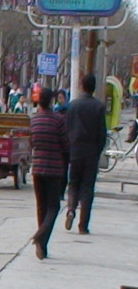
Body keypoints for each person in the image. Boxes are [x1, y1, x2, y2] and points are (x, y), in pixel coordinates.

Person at [30, 88, 70, 260]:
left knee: (41, 206)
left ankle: (42, 246)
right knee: (54, 207)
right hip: (54, 170)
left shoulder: (34, 121)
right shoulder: (57, 120)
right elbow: (66, 145)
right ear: (51, 102)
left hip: (37, 169)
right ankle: (40, 236)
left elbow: (32, 142)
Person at [64, 73, 107, 234]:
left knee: (73, 183)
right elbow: (102, 134)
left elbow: (66, 129)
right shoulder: (99, 107)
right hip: (91, 153)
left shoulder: (73, 105)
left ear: (82, 86)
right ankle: (83, 225)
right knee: (88, 188)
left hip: (75, 151)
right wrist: (97, 151)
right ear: (94, 87)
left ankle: (70, 209)